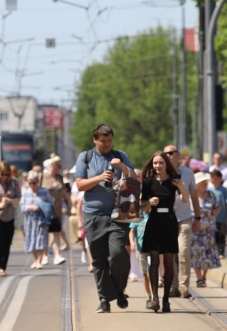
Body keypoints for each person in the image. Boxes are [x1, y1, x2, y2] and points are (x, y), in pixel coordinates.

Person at [75, 124, 137, 314]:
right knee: (99, 260)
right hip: (93, 215)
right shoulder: (85, 157)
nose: (107, 144)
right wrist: (100, 177)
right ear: (95, 140)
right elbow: (80, 184)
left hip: (118, 215)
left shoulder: (120, 155)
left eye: (109, 140)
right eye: (103, 141)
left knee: (119, 255)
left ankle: (119, 290)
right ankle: (104, 299)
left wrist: (121, 167)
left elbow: (135, 179)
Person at [140, 150, 188, 313]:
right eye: (155, 163)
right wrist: (149, 203)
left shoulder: (174, 181)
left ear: (166, 164)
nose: (158, 166)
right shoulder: (148, 181)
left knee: (168, 262)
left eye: (160, 163)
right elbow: (143, 208)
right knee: (153, 261)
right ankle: (155, 298)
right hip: (153, 222)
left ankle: (166, 298)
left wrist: (182, 187)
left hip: (169, 222)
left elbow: (185, 200)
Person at [163, 144, 201, 299]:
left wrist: (197, 217)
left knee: (184, 252)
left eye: (172, 153)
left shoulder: (188, 172)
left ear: (178, 154)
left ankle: (184, 286)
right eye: (167, 153)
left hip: (184, 217)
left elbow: (194, 196)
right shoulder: (160, 172)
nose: (170, 156)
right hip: (166, 219)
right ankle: (173, 286)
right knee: (169, 254)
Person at [192, 172, 221, 287]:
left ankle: (203, 277)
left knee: (208, 256)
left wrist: (216, 211)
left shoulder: (211, 195)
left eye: (205, 182)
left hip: (209, 231)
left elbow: (218, 205)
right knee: (195, 254)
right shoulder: (192, 195)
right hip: (195, 231)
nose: (204, 183)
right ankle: (199, 278)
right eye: (201, 182)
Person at [42, 155, 70, 265]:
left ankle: (57, 255)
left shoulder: (59, 177)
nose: (60, 168)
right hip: (45, 209)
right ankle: (44, 256)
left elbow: (64, 193)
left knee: (56, 232)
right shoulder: (42, 177)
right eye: (59, 166)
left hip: (57, 210)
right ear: (53, 165)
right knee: (45, 233)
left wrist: (68, 206)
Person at [21, 170, 51, 269]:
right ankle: (35, 260)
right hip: (29, 220)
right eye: (30, 183)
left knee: (41, 239)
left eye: (34, 183)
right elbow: (21, 206)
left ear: (38, 182)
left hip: (41, 219)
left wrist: (41, 207)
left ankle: (39, 261)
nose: (32, 185)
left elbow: (51, 204)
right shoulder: (25, 192)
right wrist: (30, 207)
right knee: (31, 239)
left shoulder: (44, 191)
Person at [128, 213, 153, 309]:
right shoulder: (137, 215)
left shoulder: (154, 215)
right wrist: (132, 242)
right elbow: (131, 231)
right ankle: (148, 296)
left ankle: (154, 296)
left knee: (151, 273)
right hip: (140, 249)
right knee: (145, 273)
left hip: (152, 250)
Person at [209, 169, 227, 257]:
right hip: (211, 217)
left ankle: (221, 252)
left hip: (222, 216)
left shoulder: (223, 190)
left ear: (219, 178)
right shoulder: (208, 189)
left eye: (214, 176)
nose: (212, 178)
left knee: (221, 234)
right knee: (212, 234)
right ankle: (214, 252)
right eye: (211, 176)